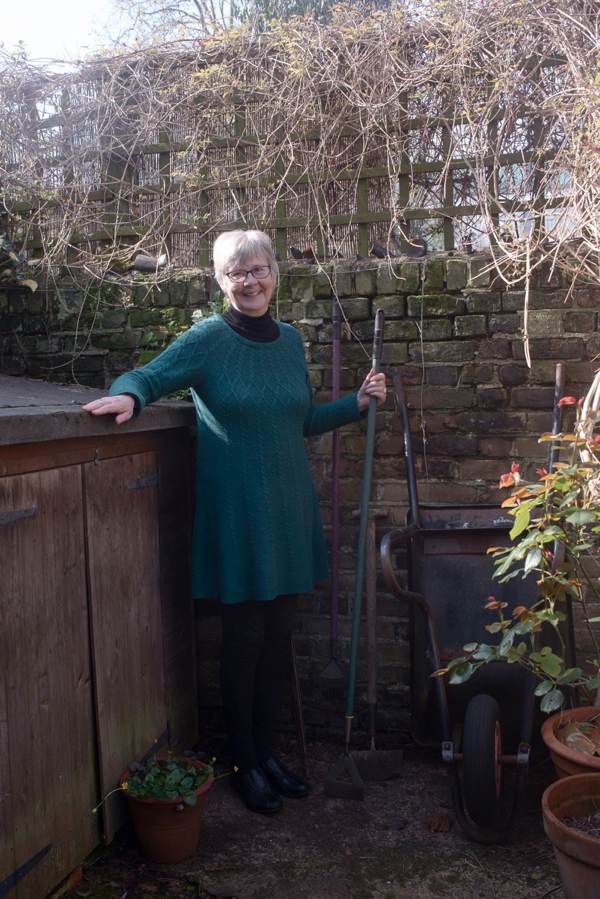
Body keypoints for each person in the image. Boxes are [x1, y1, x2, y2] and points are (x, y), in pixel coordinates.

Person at [83, 230, 386, 815]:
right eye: (236, 272)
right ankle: (245, 764)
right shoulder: (207, 339)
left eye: (258, 269)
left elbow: (298, 421)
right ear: (221, 281)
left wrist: (355, 405)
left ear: (275, 273)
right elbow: (148, 376)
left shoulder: (290, 340)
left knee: (277, 640)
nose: (250, 281)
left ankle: (267, 755)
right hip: (238, 515)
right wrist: (129, 398)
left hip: (288, 511)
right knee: (244, 641)